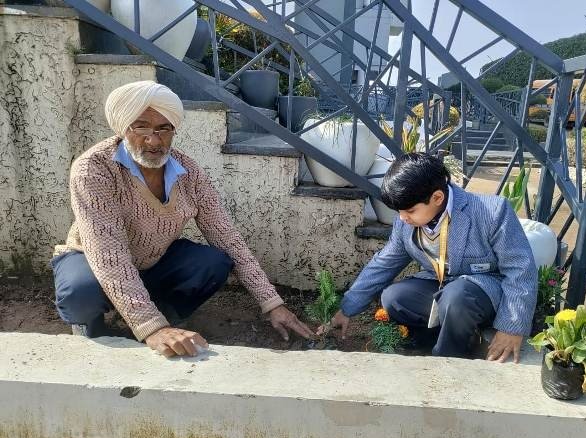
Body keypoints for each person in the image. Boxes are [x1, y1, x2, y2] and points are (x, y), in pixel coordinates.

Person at [52, 80, 313, 357]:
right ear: (123, 127)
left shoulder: (188, 172)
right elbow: (109, 255)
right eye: (141, 127)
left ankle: (160, 320)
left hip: (153, 260)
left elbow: (228, 239)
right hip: (91, 258)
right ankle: (95, 326)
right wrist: (150, 327)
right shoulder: (93, 169)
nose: (154, 140)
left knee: (214, 262)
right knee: (80, 292)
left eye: (164, 128)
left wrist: (272, 304)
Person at [321, 152, 538, 362]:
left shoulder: (491, 212)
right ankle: (427, 342)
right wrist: (347, 309)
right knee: (394, 297)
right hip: (442, 286)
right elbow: (383, 264)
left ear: (437, 197)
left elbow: (520, 268)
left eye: (410, 211)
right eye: (399, 211)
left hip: (483, 292)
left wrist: (511, 328)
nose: (403, 218)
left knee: (456, 297)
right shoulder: (405, 222)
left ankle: (447, 361)